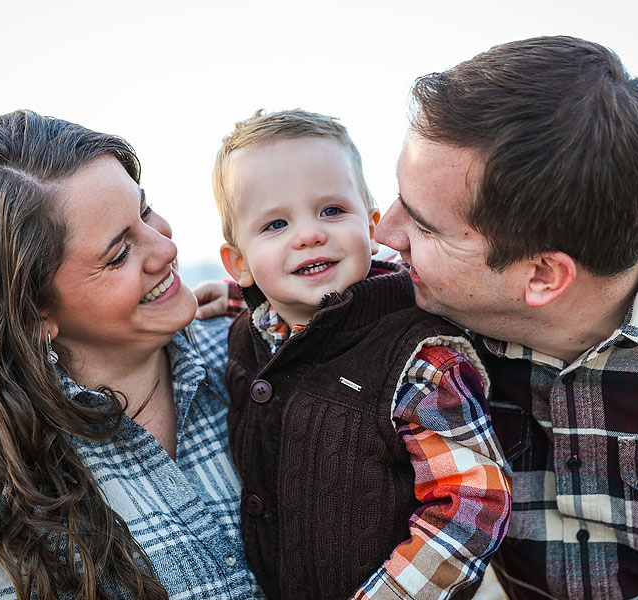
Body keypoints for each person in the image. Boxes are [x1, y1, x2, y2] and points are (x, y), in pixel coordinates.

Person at [373, 35, 638, 599]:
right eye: (399, 195)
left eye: (425, 228)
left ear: (544, 276)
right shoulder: (408, 309)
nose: (385, 234)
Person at [0, 110, 264, 600]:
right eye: (118, 253)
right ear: (30, 315)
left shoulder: (254, 352)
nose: (165, 248)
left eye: (144, 212)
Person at [210, 109, 512, 600]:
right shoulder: (252, 335)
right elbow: (283, 314)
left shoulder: (419, 360)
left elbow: (474, 504)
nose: (308, 234)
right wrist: (220, 299)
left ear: (372, 227)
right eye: (276, 224)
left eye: (331, 211)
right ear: (240, 262)